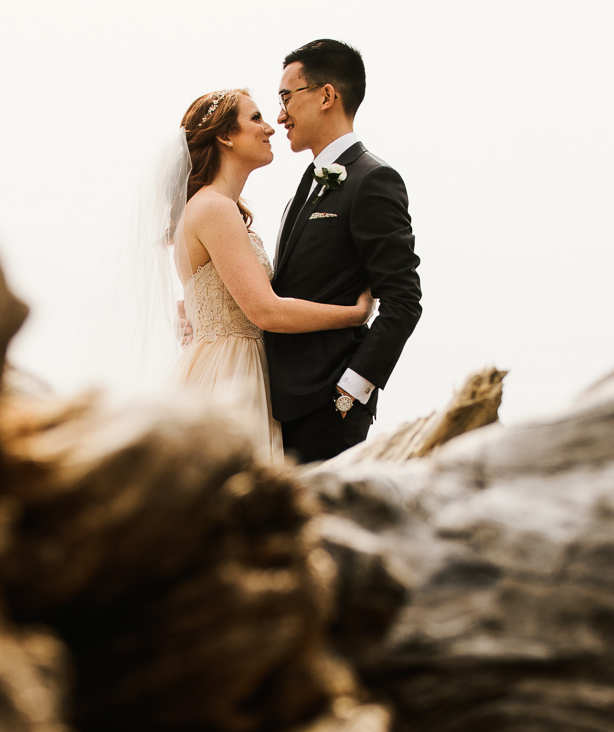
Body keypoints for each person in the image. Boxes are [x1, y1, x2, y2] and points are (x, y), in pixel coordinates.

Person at [169, 88, 372, 461]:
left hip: (231, 363)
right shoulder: (215, 208)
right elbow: (267, 312)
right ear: (226, 136)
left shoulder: (213, 207)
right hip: (233, 375)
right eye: (256, 118)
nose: (271, 128)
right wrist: (355, 314)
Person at [266, 39, 423, 463]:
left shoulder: (374, 180)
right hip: (277, 402)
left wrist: (350, 391)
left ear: (326, 96)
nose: (280, 115)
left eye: (286, 97)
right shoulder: (308, 180)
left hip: (327, 407)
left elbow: (404, 301)